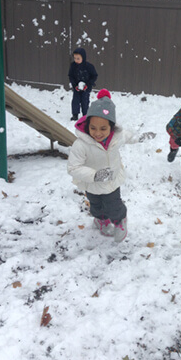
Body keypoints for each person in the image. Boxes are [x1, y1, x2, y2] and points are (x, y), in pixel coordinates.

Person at [67, 89, 137, 243]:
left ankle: (120, 221)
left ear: (111, 127)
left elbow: (128, 136)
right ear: (87, 125)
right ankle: (101, 220)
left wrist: (137, 138)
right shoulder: (81, 144)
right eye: (93, 128)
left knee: (114, 205)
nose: (97, 133)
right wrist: (94, 175)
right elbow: (73, 167)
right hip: (92, 182)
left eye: (103, 128)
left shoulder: (117, 137)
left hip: (111, 181)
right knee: (96, 206)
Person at [68, 47, 98, 120]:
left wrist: (88, 84)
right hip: (76, 87)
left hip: (86, 87)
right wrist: (74, 85)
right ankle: (75, 115)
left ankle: (85, 115)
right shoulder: (73, 66)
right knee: (75, 100)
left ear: (83, 57)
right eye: (75, 58)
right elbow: (71, 75)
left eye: (78, 58)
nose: (76, 60)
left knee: (85, 101)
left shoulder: (89, 67)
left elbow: (94, 76)